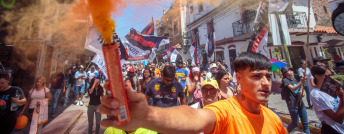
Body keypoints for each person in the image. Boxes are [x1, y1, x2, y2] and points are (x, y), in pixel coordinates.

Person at [100, 52, 287, 133]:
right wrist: (147, 115)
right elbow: (193, 116)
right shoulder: (225, 111)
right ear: (239, 78)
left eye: (268, 77)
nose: (265, 83)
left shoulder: (275, 120)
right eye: (256, 76)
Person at [281, 66, 310, 134]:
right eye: (289, 70)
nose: (291, 71)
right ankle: (286, 132)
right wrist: (301, 82)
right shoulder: (285, 80)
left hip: (300, 102)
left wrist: (301, 91)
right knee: (295, 123)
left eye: (291, 70)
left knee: (305, 123)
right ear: (285, 73)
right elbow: (293, 88)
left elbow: (300, 88)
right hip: (292, 103)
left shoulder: (294, 80)